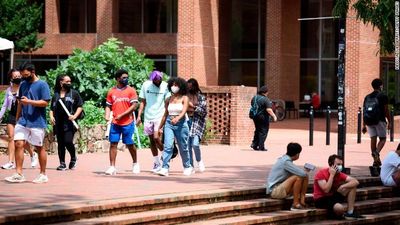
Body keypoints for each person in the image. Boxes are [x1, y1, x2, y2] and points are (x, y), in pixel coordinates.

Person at [4, 62, 51, 183]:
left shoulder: (42, 85)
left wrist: (29, 101)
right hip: (23, 120)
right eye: (22, 75)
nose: (23, 77)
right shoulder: (23, 84)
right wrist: (18, 117)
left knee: (39, 147)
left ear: (32, 72)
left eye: (25, 75)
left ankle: (43, 174)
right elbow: (20, 102)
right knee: (18, 143)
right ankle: (19, 173)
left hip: (37, 121)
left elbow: (46, 102)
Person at [1, 69, 38, 170]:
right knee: (11, 137)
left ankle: (32, 154)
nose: (17, 78)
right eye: (15, 77)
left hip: (22, 115)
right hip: (12, 114)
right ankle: (10, 162)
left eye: (19, 76)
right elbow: (5, 105)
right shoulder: (9, 90)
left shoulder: (24, 87)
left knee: (21, 140)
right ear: (11, 78)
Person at [104, 69, 139, 175]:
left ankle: (135, 163)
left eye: (127, 77)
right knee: (113, 143)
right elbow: (108, 106)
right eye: (124, 77)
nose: (126, 79)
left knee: (129, 144)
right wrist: (107, 115)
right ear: (118, 78)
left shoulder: (131, 90)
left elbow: (134, 106)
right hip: (115, 123)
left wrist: (122, 115)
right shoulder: (111, 92)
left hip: (127, 122)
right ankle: (112, 167)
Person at [156, 77, 193, 176]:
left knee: (183, 147)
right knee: (168, 146)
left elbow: (184, 110)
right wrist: (160, 127)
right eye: (172, 85)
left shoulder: (185, 98)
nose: (174, 87)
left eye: (176, 85)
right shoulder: (168, 99)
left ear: (181, 87)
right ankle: (165, 168)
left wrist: (178, 118)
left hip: (181, 124)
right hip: (169, 123)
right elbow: (165, 114)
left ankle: (187, 166)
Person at [137, 71, 170, 172]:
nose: (157, 81)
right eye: (155, 80)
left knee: (156, 138)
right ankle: (156, 163)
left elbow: (167, 103)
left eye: (159, 79)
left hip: (160, 116)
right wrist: (139, 116)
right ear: (152, 80)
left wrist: (166, 116)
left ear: (161, 78)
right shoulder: (146, 85)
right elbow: (142, 101)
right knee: (151, 140)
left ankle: (166, 155)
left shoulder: (166, 86)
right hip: (148, 116)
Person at [313, 154, 364, 220]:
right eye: (338, 164)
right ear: (331, 164)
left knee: (352, 186)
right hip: (321, 199)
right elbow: (326, 190)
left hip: (332, 197)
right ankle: (336, 214)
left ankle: (350, 213)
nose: (340, 166)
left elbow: (355, 181)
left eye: (341, 164)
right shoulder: (321, 173)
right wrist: (332, 175)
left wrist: (343, 186)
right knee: (339, 208)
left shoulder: (339, 174)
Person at [49, 75, 84, 171]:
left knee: (68, 141)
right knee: (60, 143)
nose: (69, 83)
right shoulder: (56, 95)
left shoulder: (74, 93)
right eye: (67, 81)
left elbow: (80, 106)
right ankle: (62, 163)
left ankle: (73, 157)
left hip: (69, 123)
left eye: (70, 81)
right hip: (58, 123)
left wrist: (74, 116)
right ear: (61, 82)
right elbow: (51, 108)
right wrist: (51, 117)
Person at [266, 143, 309, 210]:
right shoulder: (286, 162)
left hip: (280, 188)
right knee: (298, 177)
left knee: (305, 177)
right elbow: (302, 174)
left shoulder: (285, 160)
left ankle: (302, 201)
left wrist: (304, 172)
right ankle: (295, 203)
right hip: (275, 191)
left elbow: (304, 175)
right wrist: (304, 172)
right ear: (297, 154)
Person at [362, 78, 390, 167]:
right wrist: (390, 121)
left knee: (373, 139)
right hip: (380, 120)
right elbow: (386, 110)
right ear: (380, 86)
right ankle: (376, 153)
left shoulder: (367, 97)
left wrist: (363, 125)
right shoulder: (383, 96)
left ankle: (375, 161)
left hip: (369, 120)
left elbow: (364, 110)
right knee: (383, 139)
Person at [187, 78, 207, 172]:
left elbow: (203, 112)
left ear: (195, 86)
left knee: (195, 144)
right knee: (188, 146)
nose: (189, 88)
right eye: (188, 86)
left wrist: (193, 107)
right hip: (187, 121)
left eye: (190, 86)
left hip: (197, 123)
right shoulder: (185, 96)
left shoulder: (201, 97)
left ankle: (199, 161)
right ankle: (191, 166)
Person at [250, 86, 277, 151]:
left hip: (254, 116)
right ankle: (261, 147)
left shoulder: (254, 97)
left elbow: (252, 105)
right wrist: (274, 116)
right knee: (263, 131)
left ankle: (254, 144)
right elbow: (269, 109)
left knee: (257, 130)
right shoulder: (265, 99)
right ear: (266, 92)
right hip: (263, 117)